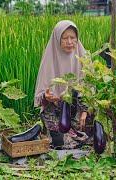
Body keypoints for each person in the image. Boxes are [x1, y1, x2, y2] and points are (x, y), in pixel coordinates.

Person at [34, 20, 90, 149]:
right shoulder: (49, 58)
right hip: (55, 110)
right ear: (57, 39)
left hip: (79, 107)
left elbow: (89, 87)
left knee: (93, 131)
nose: (69, 42)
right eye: (65, 38)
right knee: (60, 140)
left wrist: (85, 111)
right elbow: (41, 93)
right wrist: (47, 97)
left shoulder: (84, 57)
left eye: (73, 38)